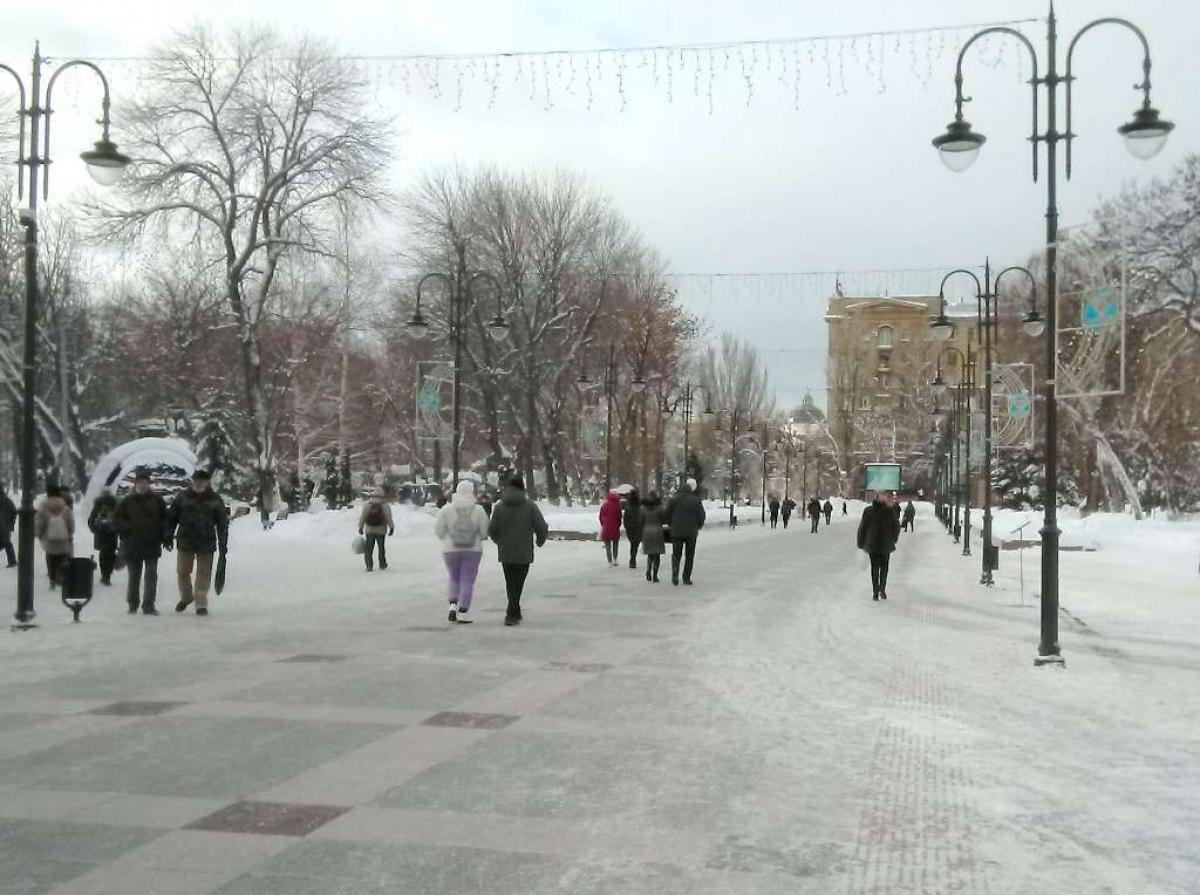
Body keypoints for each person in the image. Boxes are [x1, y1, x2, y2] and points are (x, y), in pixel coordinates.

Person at [165, 469, 229, 616]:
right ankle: (186, 597)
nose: (199, 482)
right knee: (182, 572)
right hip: (185, 540)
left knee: (203, 574)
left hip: (206, 542)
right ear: (193, 481)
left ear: (207, 482)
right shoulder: (182, 497)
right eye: (197, 480)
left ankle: (201, 603)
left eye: (203, 480)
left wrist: (223, 543)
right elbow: (171, 517)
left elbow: (222, 523)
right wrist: (168, 535)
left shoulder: (215, 499)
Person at [488, 476, 548, 626]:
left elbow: (492, 529)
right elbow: (541, 526)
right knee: (519, 582)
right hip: (524, 551)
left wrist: (499, 542)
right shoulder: (530, 506)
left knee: (510, 582)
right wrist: (540, 541)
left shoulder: (499, 506)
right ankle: (512, 612)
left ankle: (514, 609)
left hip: (506, 551)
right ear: (522, 488)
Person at [435, 480, 490, 624]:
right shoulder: (478, 510)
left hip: (450, 550)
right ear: (472, 491)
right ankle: (463, 612)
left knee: (454, 577)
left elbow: (438, 530)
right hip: (473, 550)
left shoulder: (446, 509)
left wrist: (447, 539)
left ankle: (452, 605)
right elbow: (484, 532)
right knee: (467, 580)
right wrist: (480, 537)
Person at [114, 468, 168, 615]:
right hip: (133, 544)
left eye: (145, 482)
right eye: (140, 482)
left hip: (152, 543)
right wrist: (127, 528)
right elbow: (117, 520)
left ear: (149, 483)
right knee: (134, 577)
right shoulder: (127, 501)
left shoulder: (157, 500)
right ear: (136, 483)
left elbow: (165, 519)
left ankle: (148, 605)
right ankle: (132, 604)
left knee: (151, 577)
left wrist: (163, 534)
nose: (143, 485)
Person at [857, 491, 900, 601]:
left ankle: (875, 592)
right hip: (886, 544)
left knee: (874, 568)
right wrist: (893, 539)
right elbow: (896, 527)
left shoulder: (868, 511)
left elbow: (862, 528)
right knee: (884, 568)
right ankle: (882, 589)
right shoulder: (890, 511)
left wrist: (860, 543)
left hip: (872, 544)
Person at [665, 478, 706, 586]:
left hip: (676, 532)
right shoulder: (696, 500)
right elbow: (701, 515)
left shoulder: (674, 499)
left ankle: (675, 574)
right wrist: (698, 526)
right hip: (691, 533)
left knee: (676, 554)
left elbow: (667, 513)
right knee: (689, 555)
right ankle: (686, 577)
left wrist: (671, 524)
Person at [34, 485, 74, 589]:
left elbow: (39, 522)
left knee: (51, 558)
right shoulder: (65, 506)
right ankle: (60, 577)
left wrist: (39, 534)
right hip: (63, 538)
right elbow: (70, 523)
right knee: (62, 558)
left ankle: (52, 579)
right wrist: (69, 533)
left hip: (49, 538)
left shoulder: (44, 506)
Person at [88, 488, 120, 586]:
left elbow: (91, 520)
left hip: (107, 533)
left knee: (107, 555)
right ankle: (106, 576)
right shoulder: (99, 505)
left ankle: (106, 575)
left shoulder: (114, 506)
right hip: (105, 534)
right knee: (107, 554)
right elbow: (91, 520)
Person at [357, 488, 394, 572]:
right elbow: (389, 518)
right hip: (381, 531)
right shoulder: (385, 505)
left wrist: (360, 527)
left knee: (368, 549)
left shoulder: (367, 505)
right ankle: (382, 564)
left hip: (370, 530)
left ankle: (369, 565)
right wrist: (391, 527)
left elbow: (363, 517)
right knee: (381, 548)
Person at [640, 491, 666, 582]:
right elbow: (664, 519)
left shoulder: (643, 509)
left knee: (650, 554)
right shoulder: (660, 508)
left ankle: (648, 571)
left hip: (647, 531)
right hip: (657, 531)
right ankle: (655, 575)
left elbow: (641, 521)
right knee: (657, 555)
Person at [599, 490, 622, 567]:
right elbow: (619, 517)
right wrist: (618, 525)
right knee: (615, 544)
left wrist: (604, 524)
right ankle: (615, 560)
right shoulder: (617, 506)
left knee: (608, 546)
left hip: (606, 528)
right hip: (615, 528)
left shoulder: (604, 505)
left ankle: (609, 561)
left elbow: (600, 517)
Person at [623, 487, 644, 569]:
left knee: (632, 544)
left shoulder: (628, 508)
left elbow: (625, 520)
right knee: (635, 544)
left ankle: (632, 560)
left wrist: (626, 527)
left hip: (630, 529)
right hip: (638, 528)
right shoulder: (640, 508)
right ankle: (633, 559)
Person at [0, 484, 17, 568]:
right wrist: (11, 522)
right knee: (6, 543)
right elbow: (14, 511)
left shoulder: (5, 500)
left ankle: (12, 560)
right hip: (5, 525)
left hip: (4, 525)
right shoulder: (7, 500)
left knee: (6, 543)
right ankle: (12, 560)